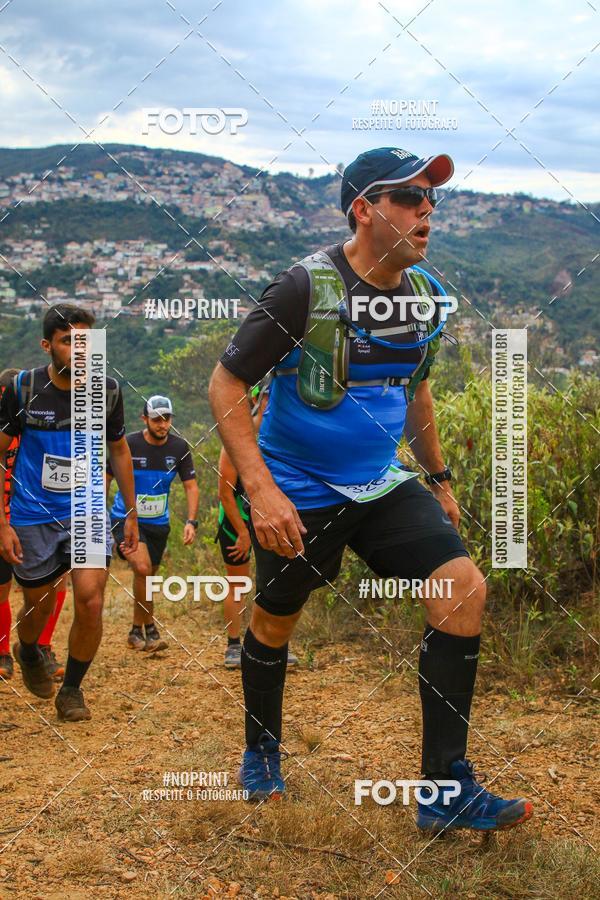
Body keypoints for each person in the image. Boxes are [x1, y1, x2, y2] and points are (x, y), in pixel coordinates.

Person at [208, 147, 533, 833]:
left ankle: (445, 793)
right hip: (298, 491)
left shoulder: (423, 298)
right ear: (364, 208)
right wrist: (261, 491)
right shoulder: (303, 289)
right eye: (411, 199)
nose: (428, 212)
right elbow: (226, 385)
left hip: (381, 484)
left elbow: (416, 390)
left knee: (462, 587)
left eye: (431, 200)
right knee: (273, 622)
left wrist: (438, 478)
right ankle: (261, 750)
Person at [0, 304, 138, 721]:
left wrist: (129, 513)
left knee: (91, 601)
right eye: (67, 341)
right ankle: (28, 649)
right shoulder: (22, 389)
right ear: (47, 346)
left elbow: (118, 449)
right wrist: (2, 521)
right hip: (32, 515)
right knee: (37, 605)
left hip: (88, 510)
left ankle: (73, 689)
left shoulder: (108, 392)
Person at [106, 395, 199, 652]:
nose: (162, 424)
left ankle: (137, 629)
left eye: (166, 418)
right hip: (125, 520)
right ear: (144, 419)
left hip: (159, 522)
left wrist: (191, 521)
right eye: (156, 419)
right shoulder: (128, 444)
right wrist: (101, 517)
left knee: (147, 576)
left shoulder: (179, 448)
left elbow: (191, 486)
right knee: (144, 569)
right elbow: (106, 477)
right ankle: (150, 629)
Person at [217, 384, 298, 668]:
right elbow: (225, 492)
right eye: (266, 397)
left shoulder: (284, 437)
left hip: (271, 518)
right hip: (235, 519)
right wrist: (242, 532)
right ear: (257, 399)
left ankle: (275, 644)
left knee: (276, 582)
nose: (270, 403)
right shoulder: (240, 436)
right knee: (238, 583)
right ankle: (233, 645)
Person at [0, 367, 68, 682]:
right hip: (5, 520)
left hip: (34, 518)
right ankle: (3, 650)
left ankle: (41, 646)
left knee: (55, 584)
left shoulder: (37, 429)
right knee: (2, 589)